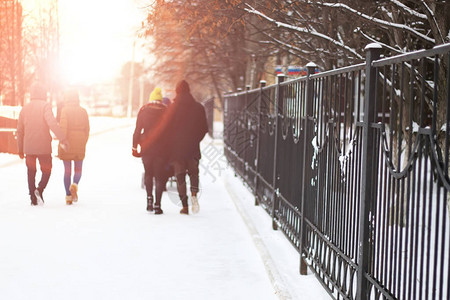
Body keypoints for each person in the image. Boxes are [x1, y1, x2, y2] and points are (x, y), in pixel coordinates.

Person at [17, 83, 68, 205]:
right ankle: (39, 189)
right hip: (44, 147)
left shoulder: (25, 108)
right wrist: (62, 138)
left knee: (31, 171)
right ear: (43, 93)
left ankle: (33, 198)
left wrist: (20, 148)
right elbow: (52, 123)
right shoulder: (45, 106)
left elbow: (20, 130)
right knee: (47, 170)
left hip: (29, 148)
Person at [166, 80, 208, 215]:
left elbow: (166, 129)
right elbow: (204, 128)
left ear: (177, 91)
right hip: (193, 147)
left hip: (177, 149)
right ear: (189, 90)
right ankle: (194, 196)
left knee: (180, 177)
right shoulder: (199, 107)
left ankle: (185, 206)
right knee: (194, 173)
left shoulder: (172, 108)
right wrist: (195, 140)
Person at [132, 87, 168, 214]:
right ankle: (158, 205)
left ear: (151, 99)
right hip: (162, 149)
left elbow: (137, 131)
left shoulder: (143, 111)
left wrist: (134, 147)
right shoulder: (166, 111)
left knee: (148, 174)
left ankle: (149, 201)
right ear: (160, 99)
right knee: (159, 176)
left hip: (147, 148)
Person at [57, 89, 90, 205]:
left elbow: (63, 127)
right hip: (80, 141)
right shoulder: (83, 111)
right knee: (78, 170)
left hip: (68, 142)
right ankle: (75, 185)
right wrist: (83, 141)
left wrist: (62, 141)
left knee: (67, 171)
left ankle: (68, 196)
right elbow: (87, 129)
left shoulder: (65, 110)